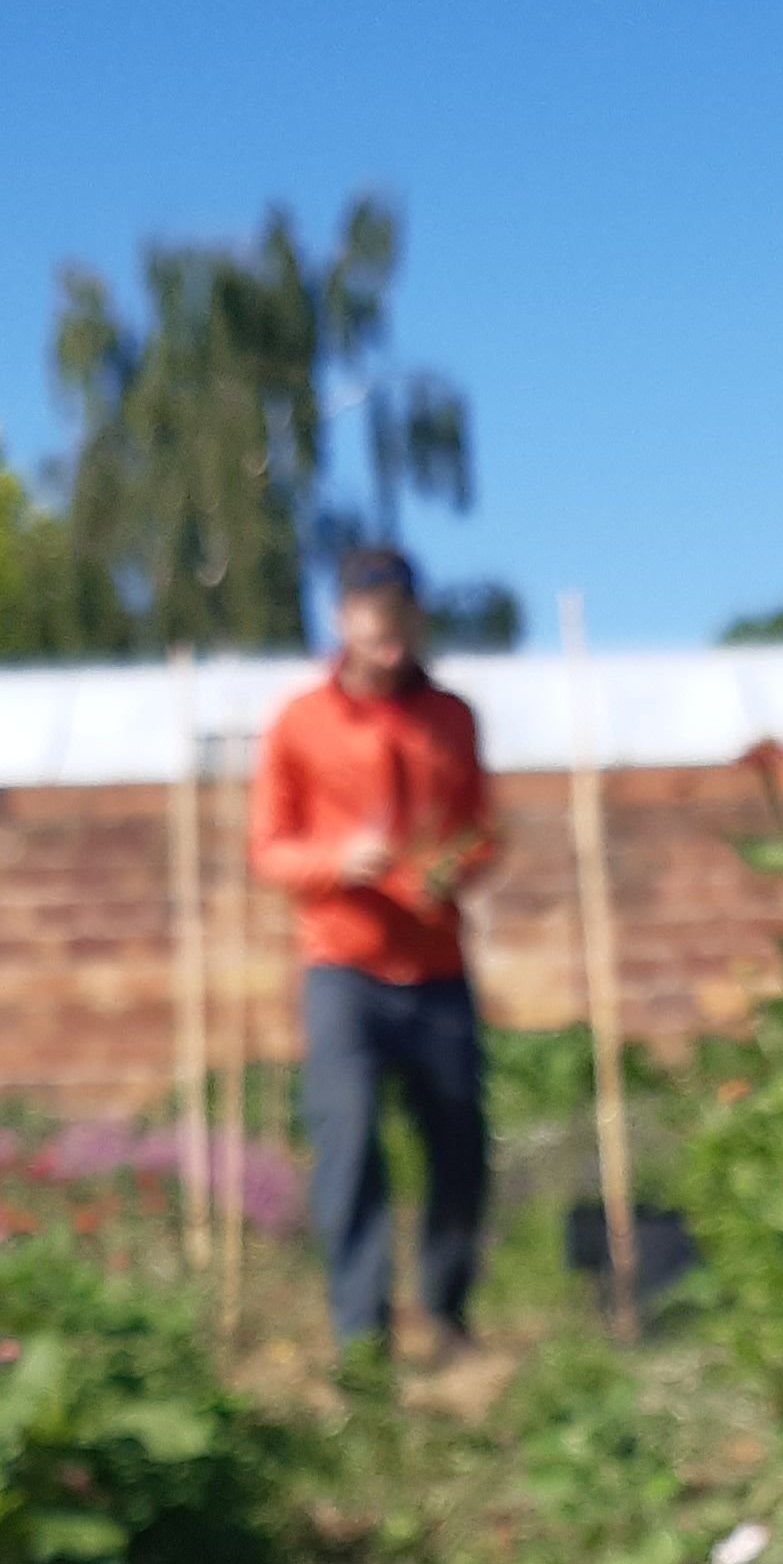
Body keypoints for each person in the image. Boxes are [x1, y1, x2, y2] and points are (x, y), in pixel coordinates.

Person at [252, 547, 500, 1370]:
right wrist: (334, 862)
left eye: (401, 612)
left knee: (459, 1143)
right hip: (343, 968)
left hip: (436, 969)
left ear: (416, 620)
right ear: (344, 621)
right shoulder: (299, 722)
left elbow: (483, 829)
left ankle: (449, 1313)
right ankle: (362, 1335)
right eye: (370, 611)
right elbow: (269, 849)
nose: (387, 627)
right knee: (350, 1144)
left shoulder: (452, 719)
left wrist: (452, 868)